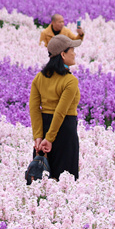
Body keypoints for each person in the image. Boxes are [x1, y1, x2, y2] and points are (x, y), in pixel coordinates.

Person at [29, 34, 82, 181]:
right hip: (64, 130)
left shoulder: (39, 78)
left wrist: (39, 137)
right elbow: (61, 112)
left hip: (45, 129)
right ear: (63, 54)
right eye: (72, 49)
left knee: (41, 178)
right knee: (65, 180)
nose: (75, 53)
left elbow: (34, 109)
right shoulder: (70, 81)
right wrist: (50, 139)